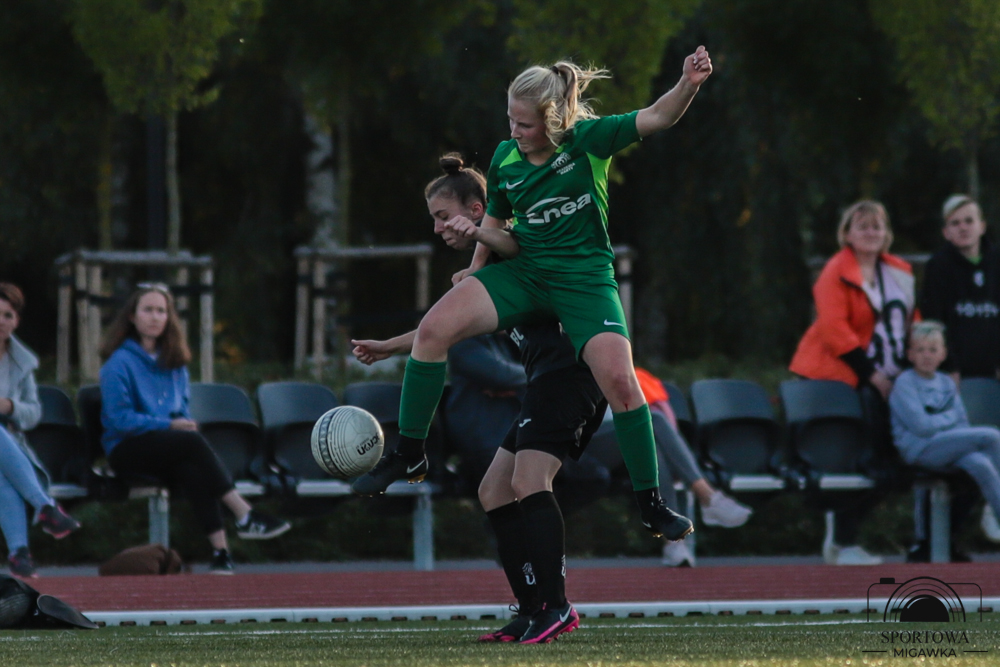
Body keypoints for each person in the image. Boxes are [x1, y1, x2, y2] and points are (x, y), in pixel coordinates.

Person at [353, 49, 714, 567]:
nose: (514, 132)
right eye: (510, 120)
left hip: (584, 281)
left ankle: (650, 503)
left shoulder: (589, 141)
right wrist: (475, 268)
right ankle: (410, 455)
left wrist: (689, 83)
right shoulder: (505, 159)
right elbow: (498, 229)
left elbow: (658, 116)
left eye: (524, 124)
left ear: (553, 120)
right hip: (526, 275)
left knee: (622, 382)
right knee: (434, 329)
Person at [352, 154, 692, 644]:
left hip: (572, 378)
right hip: (545, 382)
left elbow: (512, 239)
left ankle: (557, 607)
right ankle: (531, 610)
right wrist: (390, 346)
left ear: (476, 210)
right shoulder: (487, 273)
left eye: (443, 216)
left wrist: (482, 238)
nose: (438, 228)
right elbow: (440, 330)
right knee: (493, 490)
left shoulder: (524, 245)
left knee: (530, 480)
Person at [99, 284, 290, 574]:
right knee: (190, 444)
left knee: (191, 466)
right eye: (147, 310)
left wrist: (181, 424)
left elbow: (181, 410)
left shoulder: (175, 364)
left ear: (169, 318)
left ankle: (221, 553)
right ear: (132, 317)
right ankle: (244, 513)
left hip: (168, 445)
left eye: (161, 311)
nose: (155, 317)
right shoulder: (118, 364)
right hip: (127, 448)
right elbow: (119, 420)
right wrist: (169, 425)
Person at [789, 200, 917, 565]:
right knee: (862, 459)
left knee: (895, 464)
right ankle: (843, 538)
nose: (871, 232)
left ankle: (844, 532)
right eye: (862, 226)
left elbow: (913, 321)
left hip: (890, 378)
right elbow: (835, 330)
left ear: (887, 233)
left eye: (877, 226)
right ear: (847, 233)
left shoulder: (901, 272)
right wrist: (872, 375)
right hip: (839, 379)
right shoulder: (835, 271)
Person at [913, 194, 1000, 557]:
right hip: (956, 381)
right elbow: (933, 321)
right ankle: (927, 541)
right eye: (955, 223)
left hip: (991, 377)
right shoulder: (939, 267)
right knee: (955, 459)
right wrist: (949, 367)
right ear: (946, 231)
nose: (963, 228)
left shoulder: (996, 262)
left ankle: (968, 524)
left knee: (988, 455)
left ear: (982, 225)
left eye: (969, 220)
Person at [889, 320, 1000, 545]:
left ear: (943, 354)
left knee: (981, 464)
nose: (926, 356)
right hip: (919, 449)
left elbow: (962, 423)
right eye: (920, 350)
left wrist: (941, 423)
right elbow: (921, 427)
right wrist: (948, 419)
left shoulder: (947, 383)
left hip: (947, 446)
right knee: (992, 436)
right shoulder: (905, 383)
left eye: (933, 350)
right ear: (910, 355)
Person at [0, 283, 81, 578]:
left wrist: (9, 406)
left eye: (8, 315)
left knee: (2, 475)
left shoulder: (22, 363)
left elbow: (33, 414)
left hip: (8, 445)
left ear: (16, 321)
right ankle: (45, 508)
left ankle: (20, 554)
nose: (1, 321)